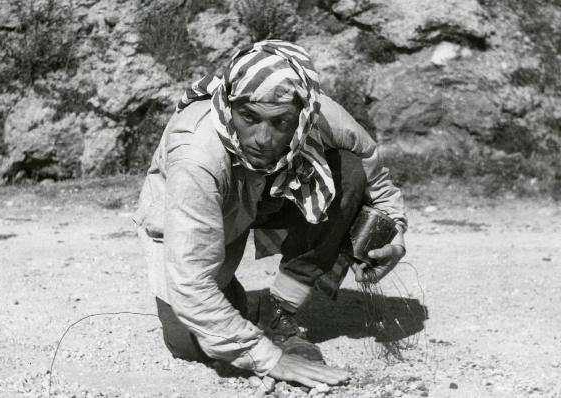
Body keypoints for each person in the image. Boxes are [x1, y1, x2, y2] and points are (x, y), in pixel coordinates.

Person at [134, 40, 407, 388]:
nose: (263, 138)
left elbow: (374, 174)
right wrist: (270, 359)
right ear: (230, 106)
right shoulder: (197, 156)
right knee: (190, 342)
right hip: (213, 207)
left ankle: (279, 308)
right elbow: (190, 283)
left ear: (302, 114)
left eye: (281, 122)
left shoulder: (320, 114)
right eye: (249, 118)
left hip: (275, 191)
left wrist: (393, 231)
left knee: (348, 171)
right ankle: (236, 300)